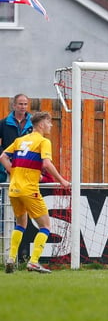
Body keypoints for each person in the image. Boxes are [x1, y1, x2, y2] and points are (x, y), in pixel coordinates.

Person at [1, 112, 71, 273]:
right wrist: (62, 180)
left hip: (14, 189)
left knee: (20, 224)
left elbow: (3, 156)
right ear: (41, 125)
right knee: (46, 226)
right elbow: (46, 164)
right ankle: (33, 261)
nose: (51, 126)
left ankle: (11, 258)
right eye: (49, 122)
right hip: (29, 190)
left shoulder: (20, 140)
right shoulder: (43, 141)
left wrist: (14, 171)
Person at [0, 93, 33, 184]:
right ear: (14, 105)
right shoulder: (4, 123)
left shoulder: (33, 124)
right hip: (8, 164)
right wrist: (2, 153)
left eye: (25, 104)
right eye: (20, 104)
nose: (23, 107)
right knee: (8, 191)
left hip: (27, 163)